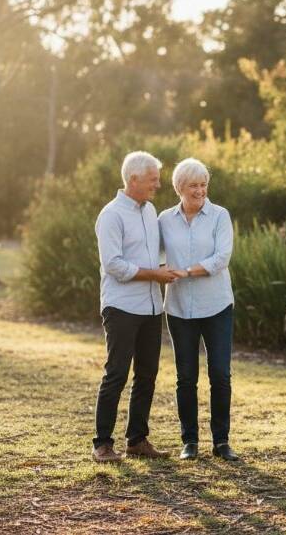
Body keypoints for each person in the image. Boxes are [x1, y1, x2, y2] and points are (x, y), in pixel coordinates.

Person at [92, 151, 180, 463]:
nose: (158, 185)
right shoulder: (111, 215)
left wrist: (165, 270)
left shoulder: (149, 210)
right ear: (133, 179)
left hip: (152, 307)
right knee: (116, 373)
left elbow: (147, 255)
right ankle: (102, 444)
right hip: (122, 306)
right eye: (153, 179)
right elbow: (114, 264)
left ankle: (137, 440)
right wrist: (155, 273)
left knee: (147, 374)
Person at [158, 158, 239, 462]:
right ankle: (189, 441)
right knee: (185, 376)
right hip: (178, 308)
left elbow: (221, 259)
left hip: (216, 305)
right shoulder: (164, 219)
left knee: (220, 375)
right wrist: (162, 270)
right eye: (193, 185)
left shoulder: (219, 216)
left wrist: (187, 272)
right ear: (180, 188)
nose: (200, 190)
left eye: (203, 184)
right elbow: (152, 254)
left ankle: (221, 441)